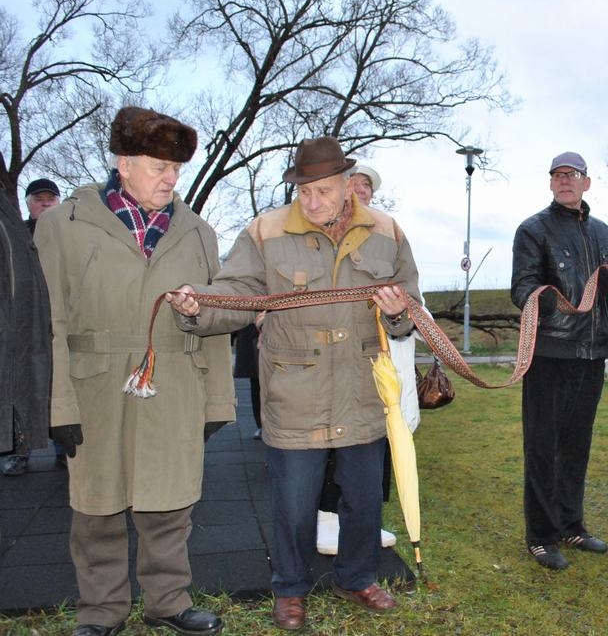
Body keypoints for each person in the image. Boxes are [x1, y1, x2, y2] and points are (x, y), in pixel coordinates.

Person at [167, 137, 419, 630]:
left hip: (362, 387)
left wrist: (399, 315)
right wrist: (200, 306)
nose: (313, 201)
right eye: (304, 191)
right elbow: (236, 291)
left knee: (365, 498)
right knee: (294, 503)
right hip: (294, 387)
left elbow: (408, 299)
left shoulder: (387, 231)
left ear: (349, 185)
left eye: (324, 190)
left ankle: (357, 576)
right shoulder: (265, 231)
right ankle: (290, 587)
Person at [34, 107, 234, 636]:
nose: (170, 178)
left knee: (170, 504)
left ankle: (168, 602)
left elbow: (215, 323)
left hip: (174, 383)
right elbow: (48, 321)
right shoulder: (64, 226)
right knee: (96, 508)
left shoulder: (198, 233)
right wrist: (58, 405)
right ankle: (101, 612)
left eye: (176, 168)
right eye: (157, 166)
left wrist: (217, 401)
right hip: (93, 385)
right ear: (123, 163)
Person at [511, 151, 608, 570]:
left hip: (592, 353)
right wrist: (546, 300)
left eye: (572, 175)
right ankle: (540, 536)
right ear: (551, 183)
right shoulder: (533, 230)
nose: (565, 181)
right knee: (543, 447)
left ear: (586, 183)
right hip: (550, 352)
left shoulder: (607, 234)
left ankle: (571, 525)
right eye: (557, 175)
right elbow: (521, 287)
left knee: (577, 444)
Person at [316, 163, 402, 557]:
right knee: (330, 445)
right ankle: (327, 519)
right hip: (327, 358)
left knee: (375, 442)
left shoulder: (386, 234)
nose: (360, 191)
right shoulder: (321, 233)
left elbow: (404, 289)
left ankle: (363, 523)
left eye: (367, 185)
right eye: (354, 184)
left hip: (374, 356)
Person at [1, 177, 61, 476]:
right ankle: (18, 451)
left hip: (61, 322)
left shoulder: (70, 235)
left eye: (51, 198)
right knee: (22, 387)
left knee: (62, 388)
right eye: (39, 198)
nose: (46, 203)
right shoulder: (15, 233)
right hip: (25, 324)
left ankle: (65, 448)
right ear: (28, 203)